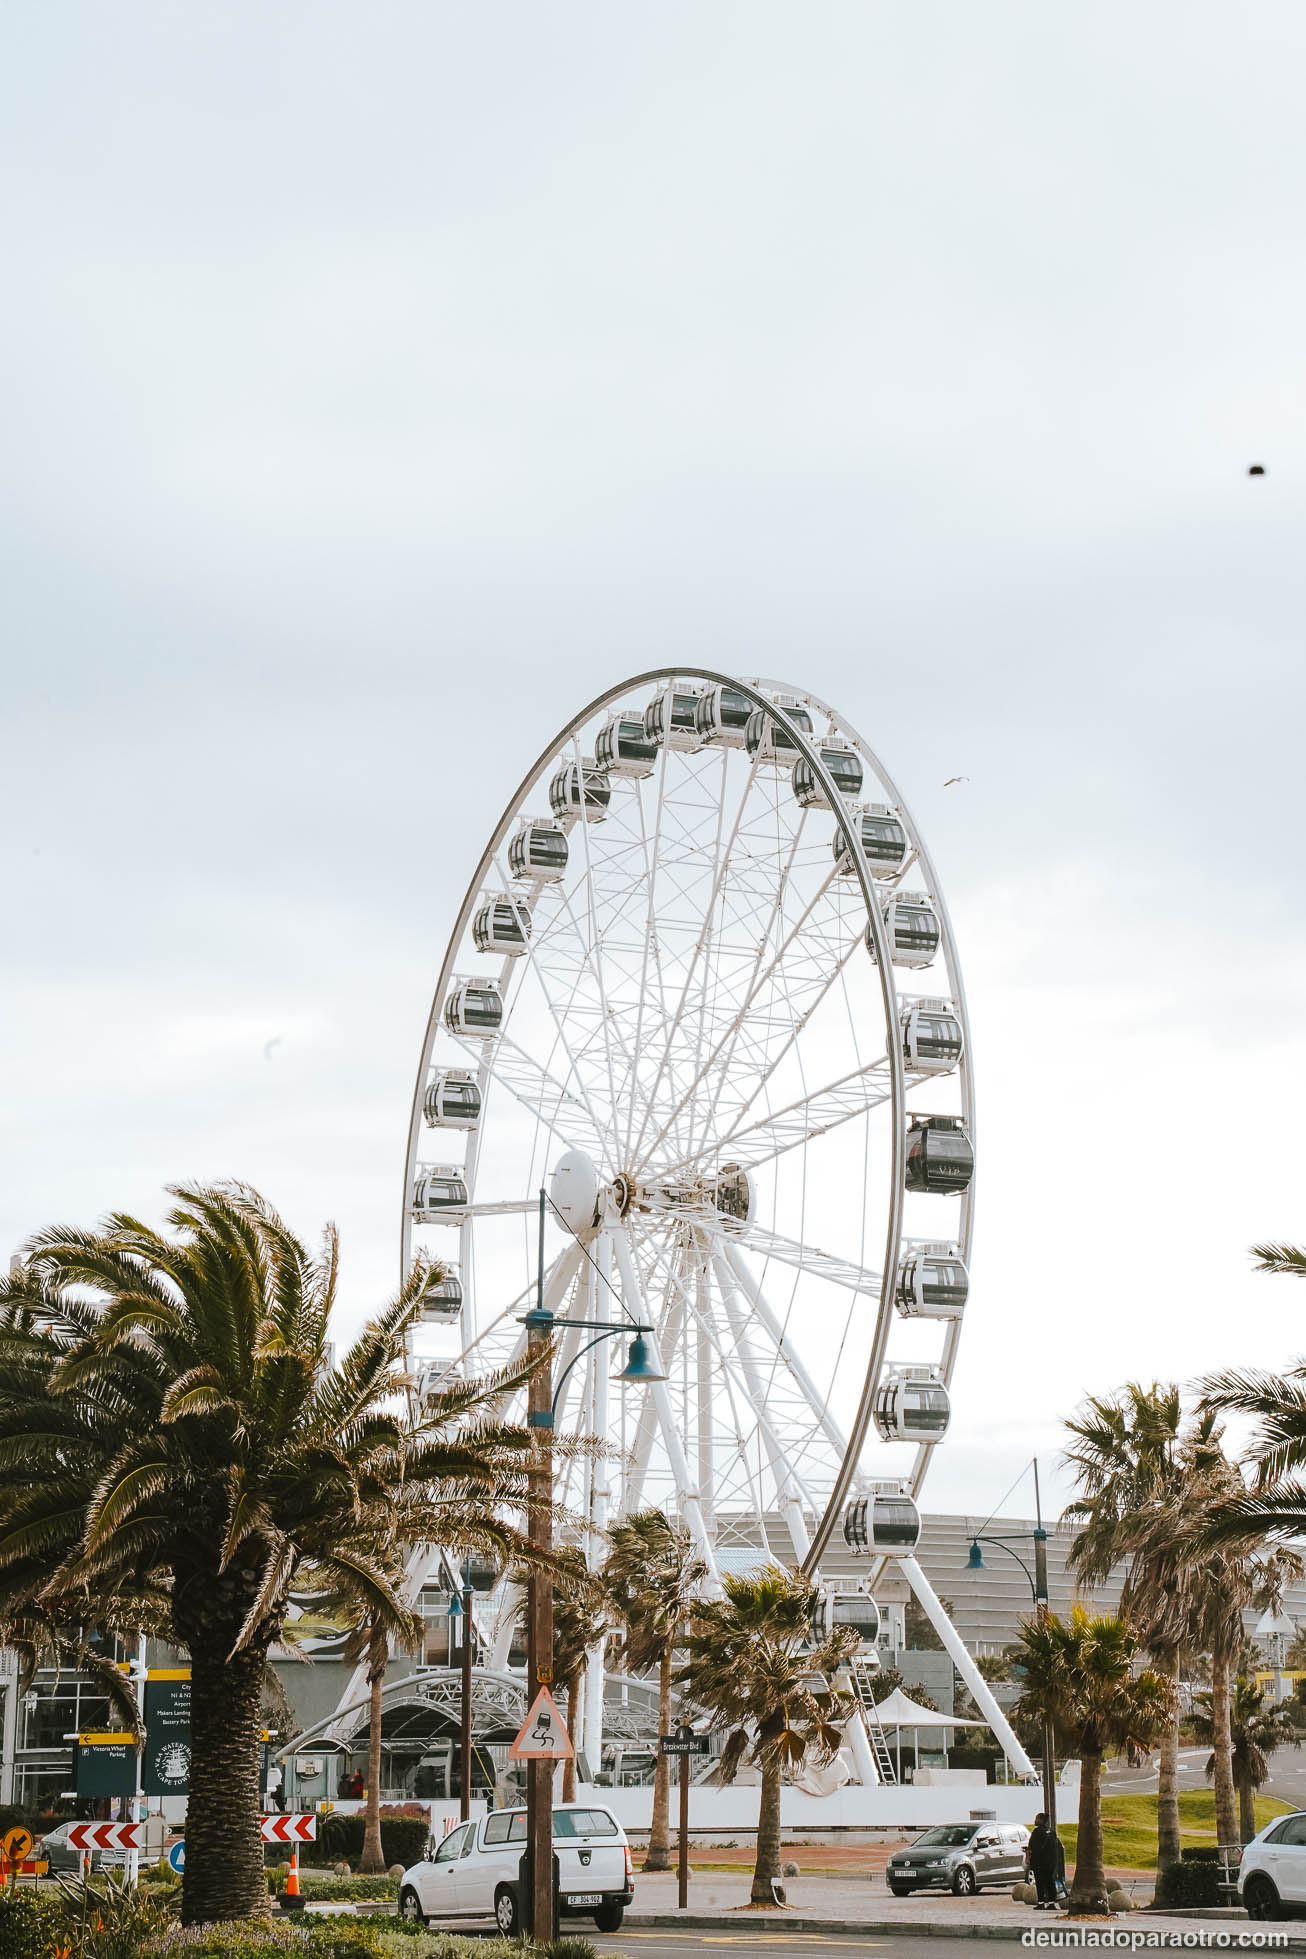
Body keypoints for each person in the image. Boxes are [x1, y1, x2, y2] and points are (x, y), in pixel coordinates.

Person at [1026, 1813, 1061, 1909]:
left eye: (1037, 1818)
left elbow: (1031, 1846)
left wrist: (1029, 1858)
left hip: (1039, 1862)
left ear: (1041, 1820)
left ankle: (1041, 1903)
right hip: (1050, 1862)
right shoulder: (1052, 1832)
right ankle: (1051, 1903)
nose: (1035, 1820)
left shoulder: (1036, 1832)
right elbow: (1055, 1848)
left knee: (1040, 1883)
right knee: (1050, 1882)